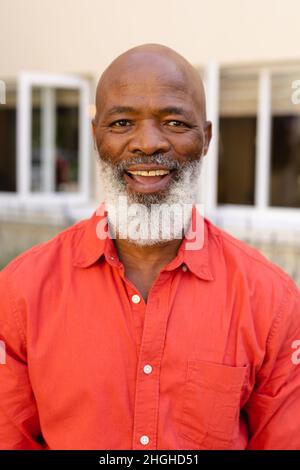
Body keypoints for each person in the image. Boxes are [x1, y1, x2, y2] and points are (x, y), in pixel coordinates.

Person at [0, 43, 300, 450]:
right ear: (95, 137)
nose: (147, 143)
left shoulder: (271, 300)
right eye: (122, 123)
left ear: (207, 139)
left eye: (175, 123)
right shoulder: (19, 293)